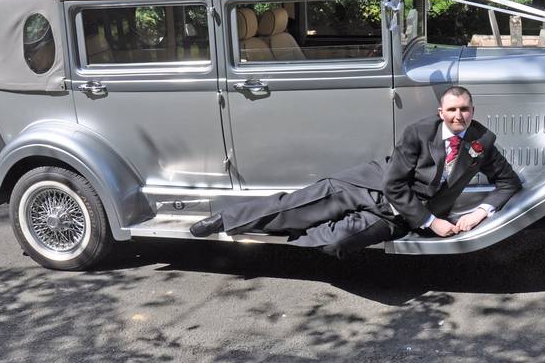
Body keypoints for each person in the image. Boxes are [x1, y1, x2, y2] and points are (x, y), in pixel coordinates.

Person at [190, 86, 522, 257]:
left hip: (400, 216)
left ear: (472, 110)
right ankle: (227, 219)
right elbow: (394, 184)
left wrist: (480, 212)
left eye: (464, 109)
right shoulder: (419, 132)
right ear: (441, 112)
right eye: (452, 109)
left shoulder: (482, 140)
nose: (459, 116)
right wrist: (432, 222)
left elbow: (508, 182)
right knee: (296, 205)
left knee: (335, 244)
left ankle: (299, 232)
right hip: (369, 186)